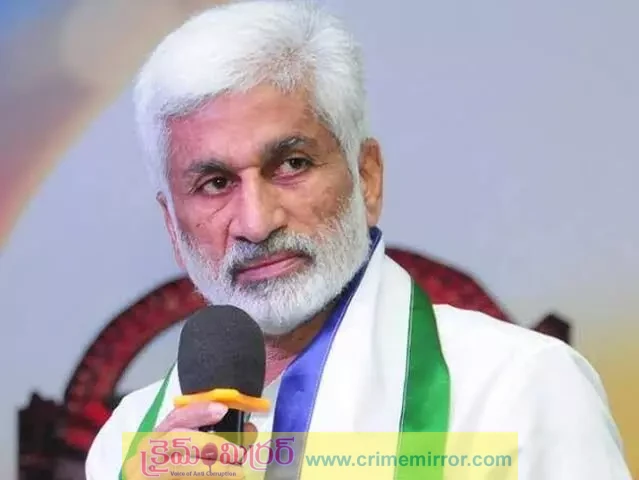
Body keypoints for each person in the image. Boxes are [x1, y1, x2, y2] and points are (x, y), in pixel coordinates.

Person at [86, 1, 632, 478]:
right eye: (215, 183)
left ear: (367, 177)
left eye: (292, 164)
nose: (256, 222)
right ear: (172, 226)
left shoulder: (520, 390)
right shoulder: (130, 442)